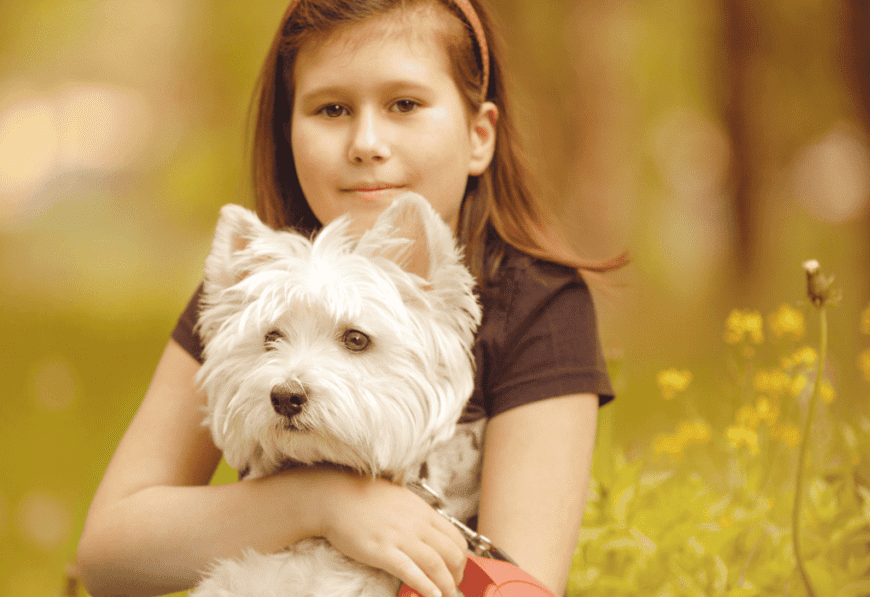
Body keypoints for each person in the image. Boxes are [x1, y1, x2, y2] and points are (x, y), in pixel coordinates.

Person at [77, 1, 624, 596]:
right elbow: (107, 556)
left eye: (405, 105)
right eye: (331, 109)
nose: (366, 143)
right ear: (288, 131)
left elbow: (518, 583)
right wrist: (322, 503)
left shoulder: (539, 305)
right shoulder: (259, 286)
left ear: (478, 135)